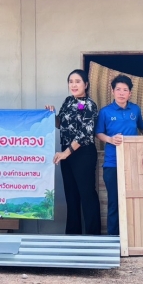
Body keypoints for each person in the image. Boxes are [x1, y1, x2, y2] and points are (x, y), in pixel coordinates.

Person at [46, 69, 101, 235]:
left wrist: (66, 153)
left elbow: (85, 133)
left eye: (78, 81)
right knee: (71, 195)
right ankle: (72, 235)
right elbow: (60, 124)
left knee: (87, 195)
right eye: (71, 82)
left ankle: (93, 235)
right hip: (67, 154)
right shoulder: (68, 101)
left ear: (86, 84)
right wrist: (51, 115)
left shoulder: (90, 105)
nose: (74, 85)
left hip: (83, 154)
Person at [95, 74, 143, 236]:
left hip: (134, 163)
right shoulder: (105, 112)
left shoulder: (135, 109)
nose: (121, 93)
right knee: (114, 202)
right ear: (112, 91)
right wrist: (110, 139)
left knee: (133, 201)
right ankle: (113, 239)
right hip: (112, 164)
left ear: (130, 93)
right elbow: (98, 133)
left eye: (125, 90)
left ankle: (133, 237)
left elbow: (142, 127)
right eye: (118, 89)